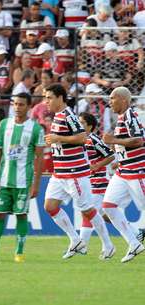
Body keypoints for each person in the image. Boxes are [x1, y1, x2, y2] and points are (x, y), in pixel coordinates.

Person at [43, 83, 115, 260]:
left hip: (74, 172)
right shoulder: (58, 116)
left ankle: (108, 245)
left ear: (60, 98)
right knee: (50, 206)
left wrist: (58, 138)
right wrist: (54, 142)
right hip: (60, 172)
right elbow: (66, 141)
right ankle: (75, 240)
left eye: (49, 98)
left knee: (88, 209)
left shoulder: (69, 115)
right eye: (45, 98)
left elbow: (82, 137)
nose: (46, 102)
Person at [0, 92, 45, 263]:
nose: (17, 107)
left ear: (29, 107)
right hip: (4, 180)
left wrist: (36, 185)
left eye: (21, 104)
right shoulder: (4, 125)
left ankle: (19, 252)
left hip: (24, 182)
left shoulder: (36, 129)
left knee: (21, 215)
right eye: (15, 104)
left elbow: (39, 159)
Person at [102, 86, 145, 263]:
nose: (110, 101)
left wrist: (113, 140)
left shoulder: (130, 116)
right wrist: (118, 159)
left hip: (136, 172)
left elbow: (138, 140)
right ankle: (134, 243)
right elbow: (127, 145)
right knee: (108, 207)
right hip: (123, 172)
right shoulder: (121, 118)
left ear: (123, 100)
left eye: (113, 98)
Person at [78, 112, 115, 249]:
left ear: (90, 126)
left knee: (87, 212)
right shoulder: (80, 140)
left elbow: (110, 155)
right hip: (89, 182)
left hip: (99, 182)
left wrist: (97, 166)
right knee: (105, 215)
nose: (79, 125)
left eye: (82, 123)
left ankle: (81, 247)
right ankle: (134, 232)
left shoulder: (93, 140)